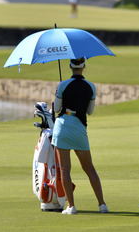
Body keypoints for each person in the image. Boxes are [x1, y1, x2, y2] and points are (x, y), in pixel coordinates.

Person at [51, 57, 108, 215]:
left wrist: (59, 92)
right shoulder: (91, 86)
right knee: (89, 168)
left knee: (65, 169)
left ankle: (71, 206)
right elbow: (89, 111)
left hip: (63, 126)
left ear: (70, 66)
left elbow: (56, 108)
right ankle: (102, 204)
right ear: (84, 66)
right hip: (79, 128)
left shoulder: (63, 85)